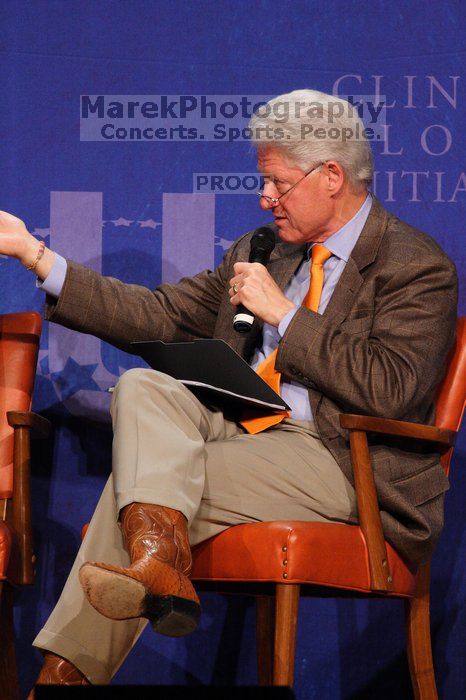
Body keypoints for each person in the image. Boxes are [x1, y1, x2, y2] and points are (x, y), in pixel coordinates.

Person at [0, 89, 457, 689]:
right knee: (143, 386)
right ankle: (159, 566)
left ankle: (62, 679)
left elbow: (391, 389)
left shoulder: (414, 266)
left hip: (342, 460)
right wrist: (36, 255)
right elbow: (159, 315)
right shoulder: (263, 248)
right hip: (243, 426)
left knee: (138, 488)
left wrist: (285, 316)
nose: (265, 198)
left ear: (332, 176)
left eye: (277, 183)